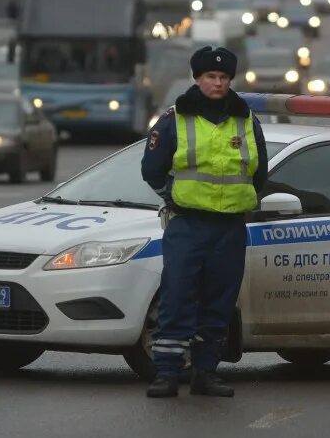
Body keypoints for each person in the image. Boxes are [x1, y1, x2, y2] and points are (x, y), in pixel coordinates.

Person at [140, 46, 268, 399]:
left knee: (220, 301)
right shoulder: (174, 119)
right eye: (211, 77)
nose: (218, 83)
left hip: (229, 227)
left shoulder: (245, 120)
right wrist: (174, 197)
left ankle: (206, 373)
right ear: (197, 79)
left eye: (224, 77)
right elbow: (151, 169)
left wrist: (241, 201)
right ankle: (166, 373)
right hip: (188, 225)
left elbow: (259, 173)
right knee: (178, 295)